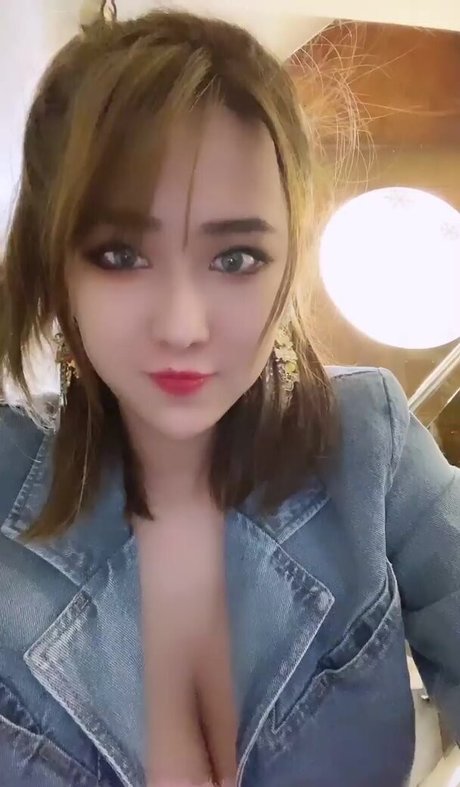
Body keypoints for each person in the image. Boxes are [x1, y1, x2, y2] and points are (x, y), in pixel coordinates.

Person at [0, 8, 459, 787]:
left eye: (237, 257)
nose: (183, 326)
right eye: (120, 254)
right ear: (54, 262)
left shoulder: (366, 442)